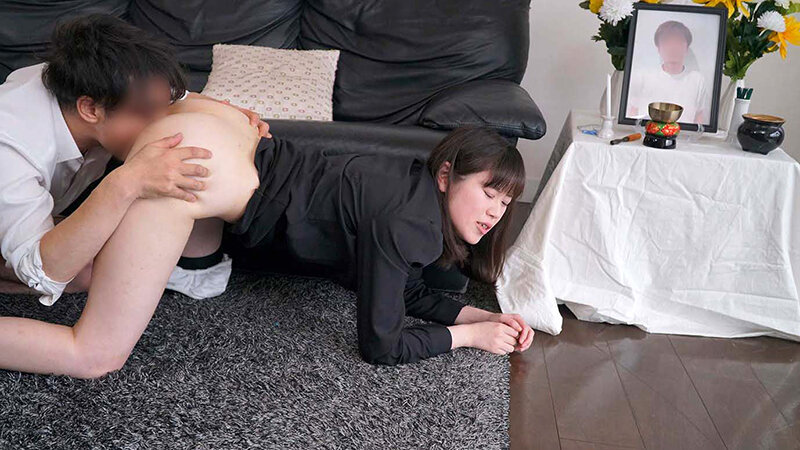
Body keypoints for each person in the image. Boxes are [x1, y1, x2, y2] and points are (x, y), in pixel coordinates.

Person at [0, 14, 270, 304]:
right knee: (82, 271)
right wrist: (126, 182)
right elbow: (46, 271)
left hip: (29, 201)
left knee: (102, 249)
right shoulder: (12, 148)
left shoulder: (99, 80)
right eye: (146, 114)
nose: (159, 123)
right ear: (90, 109)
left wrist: (232, 115)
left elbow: (177, 98)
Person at [225, 125, 536, 365]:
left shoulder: (417, 192)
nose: (495, 212)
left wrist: (484, 318)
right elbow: (382, 347)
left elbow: (408, 291)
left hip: (248, 148)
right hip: (244, 174)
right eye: (489, 194)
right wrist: (470, 335)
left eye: (505, 202)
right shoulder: (411, 223)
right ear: (445, 175)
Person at [626, 20, 709, 124]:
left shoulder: (697, 80)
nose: (673, 48)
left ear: (687, 48)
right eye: (667, 43)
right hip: (647, 131)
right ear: (659, 48)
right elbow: (633, 111)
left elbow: (699, 116)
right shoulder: (643, 76)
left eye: (678, 42)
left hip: (683, 133)